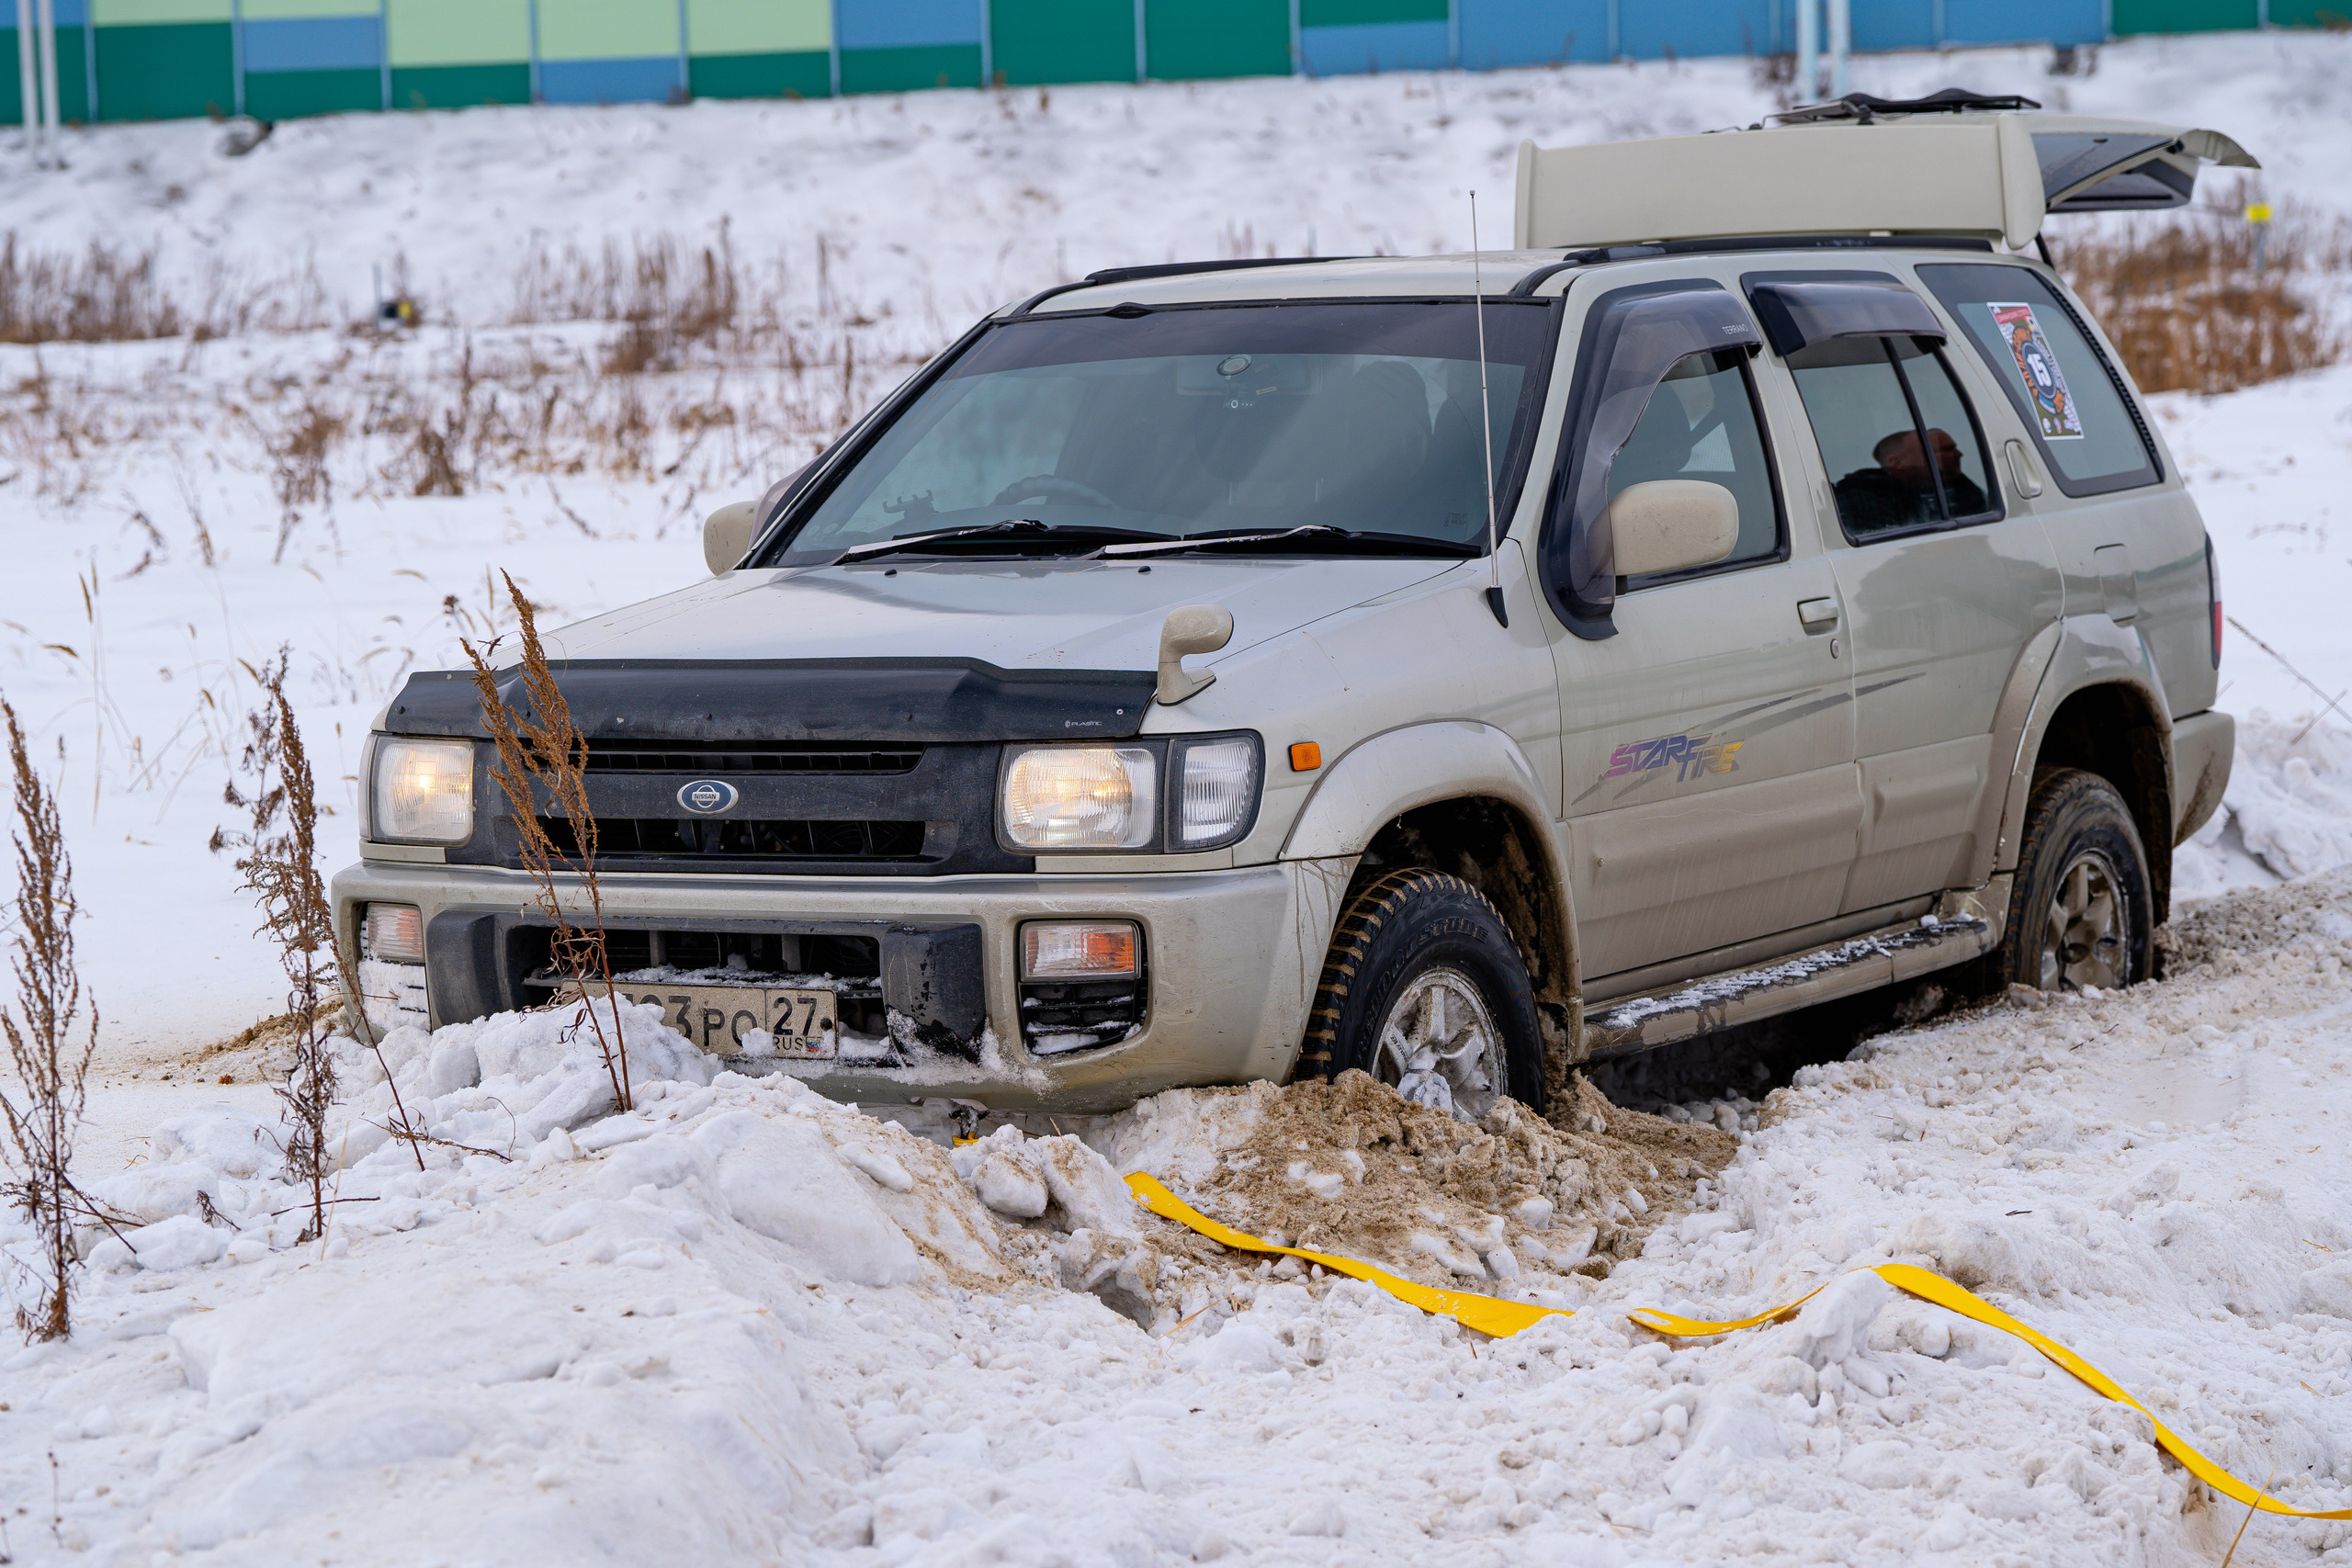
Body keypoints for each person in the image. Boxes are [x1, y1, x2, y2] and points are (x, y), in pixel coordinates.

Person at [1833, 426, 1986, 534]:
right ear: (1897, 463)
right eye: (1945, 449)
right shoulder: (1863, 497)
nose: (1959, 454)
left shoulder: (1962, 488)